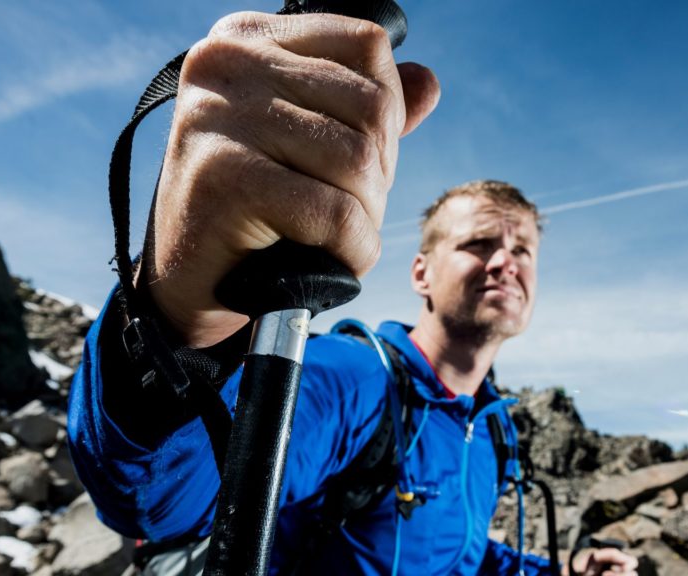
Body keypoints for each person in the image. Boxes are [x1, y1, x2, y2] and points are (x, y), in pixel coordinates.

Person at [67, 11, 637, 576]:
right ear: (421, 273)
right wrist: (183, 318)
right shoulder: (354, 381)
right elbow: (169, 504)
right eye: (479, 243)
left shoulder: (487, 423)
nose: (504, 263)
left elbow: (457, 556)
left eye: (523, 251)